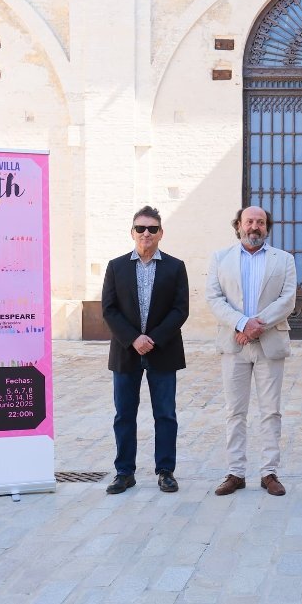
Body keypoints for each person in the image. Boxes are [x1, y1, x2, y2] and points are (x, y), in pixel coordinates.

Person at [206, 206, 297, 497]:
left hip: (270, 343)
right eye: (249, 222)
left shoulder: (284, 259)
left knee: (271, 411)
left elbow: (288, 299)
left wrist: (259, 325)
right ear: (239, 226)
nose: (254, 227)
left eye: (260, 222)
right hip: (234, 345)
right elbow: (214, 298)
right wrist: (242, 323)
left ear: (267, 227)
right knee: (236, 411)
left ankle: (269, 472)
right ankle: (235, 472)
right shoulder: (220, 258)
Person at [101, 206, 189, 495]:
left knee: (165, 414)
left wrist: (152, 339)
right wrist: (133, 339)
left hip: (162, 351)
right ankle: (124, 472)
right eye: (141, 228)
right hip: (126, 352)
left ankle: (166, 471)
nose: (146, 233)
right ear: (132, 232)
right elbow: (109, 309)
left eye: (152, 228)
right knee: (124, 415)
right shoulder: (116, 266)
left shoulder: (176, 267)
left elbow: (180, 310)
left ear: (161, 233)